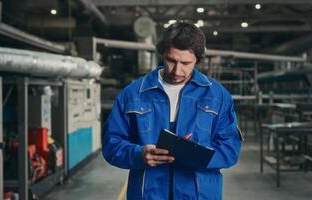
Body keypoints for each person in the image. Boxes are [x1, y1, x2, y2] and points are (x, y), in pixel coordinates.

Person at [102, 21, 242, 200]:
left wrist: (196, 155)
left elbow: (230, 148)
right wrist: (139, 154)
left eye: (185, 63)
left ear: (197, 60)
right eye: (171, 60)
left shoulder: (217, 95)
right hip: (148, 194)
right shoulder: (133, 94)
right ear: (163, 54)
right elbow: (111, 144)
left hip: (199, 195)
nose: (177, 70)